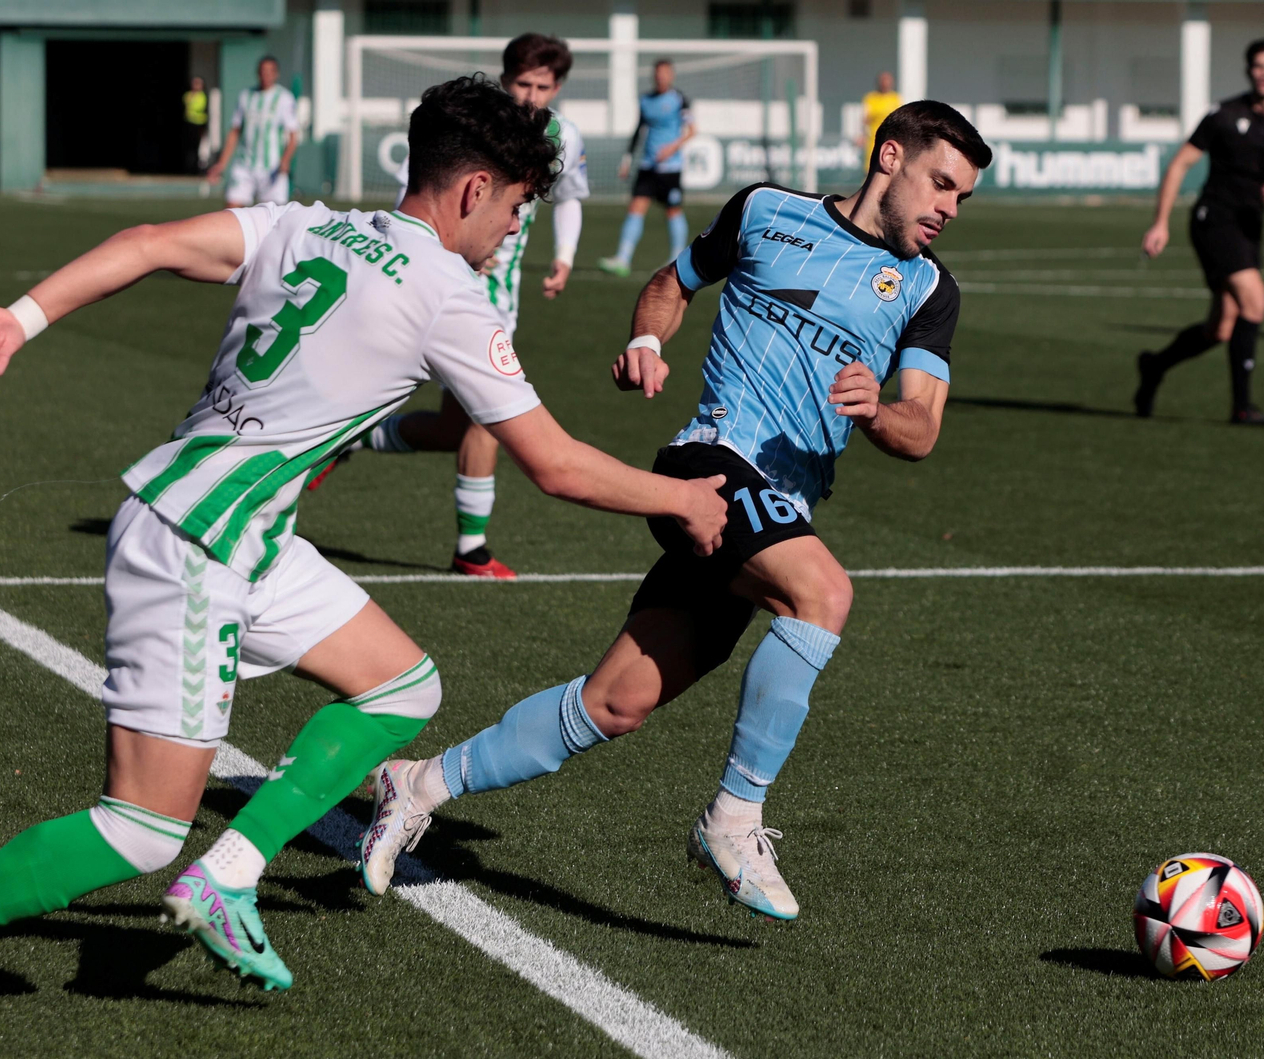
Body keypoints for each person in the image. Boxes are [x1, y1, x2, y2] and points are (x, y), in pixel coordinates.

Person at [0, 75, 726, 1036]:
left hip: (240, 534)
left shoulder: (304, 223)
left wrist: (23, 316)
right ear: (474, 188)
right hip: (197, 547)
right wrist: (681, 496)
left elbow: (148, 243)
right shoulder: (448, 295)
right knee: (140, 829)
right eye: (515, 206)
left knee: (402, 687)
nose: (514, 228)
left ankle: (232, 870)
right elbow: (554, 463)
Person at [360, 101, 991, 922]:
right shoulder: (765, 210)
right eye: (941, 183)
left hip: (778, 508)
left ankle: (418, 782)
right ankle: (733, 819)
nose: (949, 208)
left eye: (962, 197)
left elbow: (922, 427)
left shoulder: (929, 289)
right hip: (711, 465)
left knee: (613, 703)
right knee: (823, 594)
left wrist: (877, 412)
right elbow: (672, 283)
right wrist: (648, 340)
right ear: (891, 156)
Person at [308, 34, 591, 579]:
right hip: (440, 284)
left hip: (500, 296)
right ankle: (472, 548)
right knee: (489, 417)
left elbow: (571, 197)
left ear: (557, 88)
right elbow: (413, 197)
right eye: (522, 83)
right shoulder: (472, 129)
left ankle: (352, 438)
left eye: (542, 86)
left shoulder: (563, 135)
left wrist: (564, 257)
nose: (530, 96)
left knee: (452, 429)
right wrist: (446, 250)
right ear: (505, 79)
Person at [1136, 38, 1264, 426]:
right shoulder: (1224, 114)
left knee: (1220, 328)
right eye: (1259, 66)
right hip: (1214, 220)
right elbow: (1179, 165)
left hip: (1250, 226)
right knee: (1255, 301)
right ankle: (1242, 408)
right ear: (1249, 71)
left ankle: (1155, 365)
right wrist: (1160, 222)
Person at [597, 59, 694, 276]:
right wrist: (627, 159)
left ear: (671, 75)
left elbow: (692, 130)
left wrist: (672, 148)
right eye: (658, 73)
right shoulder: (645, 100)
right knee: (635, 208)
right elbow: (638, 130)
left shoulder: (680, 100)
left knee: (673, 210)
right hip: (648, 165)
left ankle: (676, 260)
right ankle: (623, 259)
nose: (661, 77)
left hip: (671, 168)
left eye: (665, 73)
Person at [207, 56, 300, 207]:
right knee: (231, 210)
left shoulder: (284, 98)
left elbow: (293, 135)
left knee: (272, 215)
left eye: (270, 71)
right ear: (258, 73)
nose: (266, 75)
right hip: (245, 164)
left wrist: (285, 160)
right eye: (263, 71)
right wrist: (221, 163)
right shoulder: (246, 96)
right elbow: (235, 131)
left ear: (276, 74)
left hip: (272, 168)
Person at [859, 71, 902, 171]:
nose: (885, 83)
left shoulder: (895, 98)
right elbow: (865, 118)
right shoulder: (871, 98)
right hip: (873, 139)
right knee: (872, 167)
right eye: (883, 80)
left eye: (888, 81)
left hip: (891, 138)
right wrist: (862, 135)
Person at [183, 75, 210, 174]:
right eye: (194, 83)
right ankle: (189, 167)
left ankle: (200, 168)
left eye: (198, 83)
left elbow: (200, 108)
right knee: (190, 148)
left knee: (201, 147)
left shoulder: (203, 96)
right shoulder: (187, 95)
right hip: (189, 125)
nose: (196, 85)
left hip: (200, 125)